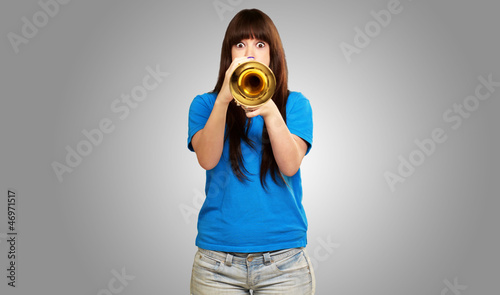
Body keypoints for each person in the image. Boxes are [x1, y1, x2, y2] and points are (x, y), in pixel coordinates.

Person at [187, 8, 315, 294]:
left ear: (273, 55)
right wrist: (223, 99)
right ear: (229, 54)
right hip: (216, 263)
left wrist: (270, 110)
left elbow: (290, 165)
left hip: (285, 262)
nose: (250, 54)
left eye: (260, 45)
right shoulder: (204, 105)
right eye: (240, 44)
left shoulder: (295, 104)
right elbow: (207, 159)